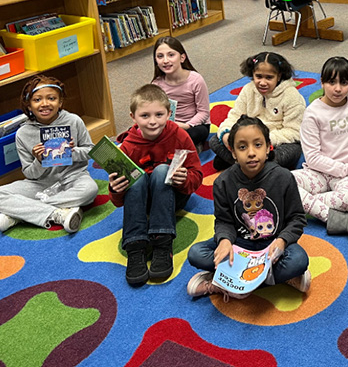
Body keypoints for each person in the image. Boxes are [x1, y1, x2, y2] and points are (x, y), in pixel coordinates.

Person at [187, 115, 311, 299]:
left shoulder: (284, 177)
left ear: (269, 147)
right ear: (233, 152)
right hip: (240, 245)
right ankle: (275, 278)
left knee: (298, 260)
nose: (251, 152)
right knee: (196, 253)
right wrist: (224, 241)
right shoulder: (223, 182)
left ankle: (225, 283)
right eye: (242, 147)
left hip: (273, 245)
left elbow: (297, 218)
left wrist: (282, 241)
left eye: (258, 145)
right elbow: (224, 221)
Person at [107, 84, 203, 286]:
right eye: (145, 116)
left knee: (161, 171)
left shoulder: (179, 135)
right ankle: (135, 245)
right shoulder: (127, 147)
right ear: (133, 117)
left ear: (169, 113)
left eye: (159, 114)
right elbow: (118, 201)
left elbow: (197, 175)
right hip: (143, 202)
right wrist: (115, 189)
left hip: (173, 196)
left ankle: (162, 241)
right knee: (137, 176)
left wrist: (184, 179)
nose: (152, 121)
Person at [0, 75, 98, 234]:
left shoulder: (74, 120)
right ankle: (58, 213)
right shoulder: (23, 133)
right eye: (37, 100)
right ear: (29, 106)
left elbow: (90, 151)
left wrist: (72, 152)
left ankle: (22, 213)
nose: (45, 104)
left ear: (60, 102)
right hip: (41, 183)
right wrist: (39, 161)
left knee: (90, 190)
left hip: (74, 176)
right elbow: (29, 173)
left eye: (51, 98)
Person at [295, 56, 348, 248]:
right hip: (318, 172)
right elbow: (312, 158)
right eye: (331, 82)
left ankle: (292, 205)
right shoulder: (312, 113)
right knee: (281, 181)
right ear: (321, 82)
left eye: (344, 83)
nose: (338, 89)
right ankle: (340, 220)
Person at [209, 52, 305, 171]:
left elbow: (294, 132)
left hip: (274, 143)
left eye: (269, 77)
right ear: (252, 74)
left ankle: (239, 163)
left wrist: (264, 141)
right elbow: (234, 116)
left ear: (279, 76)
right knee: (215, 140)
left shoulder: (292, 96)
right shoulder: (248, 90)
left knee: (292, 151)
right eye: (258, 76)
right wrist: (227, 134)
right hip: (248, 138)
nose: (263, 82)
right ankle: (254, 167)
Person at [151, 36, 210, 149]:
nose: (165, 60)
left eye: (171, 55)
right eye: (160, 56)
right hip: (168, 126)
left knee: (194, 134)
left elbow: (203, 112)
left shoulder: (196, 80)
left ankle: (172, 147)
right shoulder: (157, 84)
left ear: (182, 58)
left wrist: (186, 125)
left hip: (193, 125)